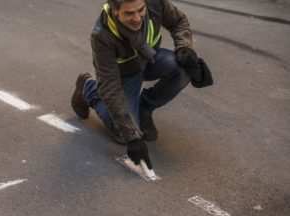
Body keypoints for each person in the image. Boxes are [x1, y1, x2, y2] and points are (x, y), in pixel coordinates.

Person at [71, 0, 201, 168]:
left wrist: (185, 48)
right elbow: (110, 87)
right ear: (116, 10)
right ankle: (88, 88)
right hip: (122, 75)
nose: (137, 17)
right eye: (129, 13)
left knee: (184, 69)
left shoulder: (154, 3)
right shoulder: (102, 35)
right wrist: (132, 136)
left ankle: (144, 110)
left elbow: (178, 21)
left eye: (140, 10)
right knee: (122, 134)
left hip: (149, 59)